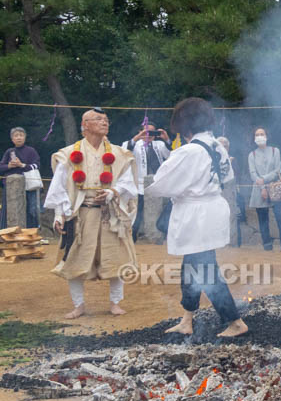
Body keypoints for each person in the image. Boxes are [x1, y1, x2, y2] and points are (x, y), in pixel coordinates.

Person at [147, 98, 248, 338]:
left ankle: (234, 321)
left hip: (197, 214)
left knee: (204, 270)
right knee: (193, 266)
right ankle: (187, 318)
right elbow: (228, 177)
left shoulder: (190, 150)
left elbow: (161, 183)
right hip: (212, 208)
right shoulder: (218, 146)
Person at [43, 108, 138, 318]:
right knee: (75, 259)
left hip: (109, 213)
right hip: (80, 214)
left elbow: (127, 182)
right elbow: (59, 187)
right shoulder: (68, 154)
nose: (104, 122)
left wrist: (113, 192)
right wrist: (59, 215)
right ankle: (79, 305)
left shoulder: (119, 154)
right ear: (85, 125)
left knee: (116, 257)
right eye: (98, 119)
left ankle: (115, 302)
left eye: (106, 120)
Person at [121, 122, 171, 241]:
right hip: (139, 183)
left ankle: (159, 234)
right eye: (146, 132)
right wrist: (139, 137)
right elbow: (124, 152)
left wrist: (167, 139)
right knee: (138, 210)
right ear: (140, 131)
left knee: (160, 208)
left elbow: (170, 155)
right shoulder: (135, 144)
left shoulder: (159, 144)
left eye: (152, 132)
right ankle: (133, 234)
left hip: (156, 181)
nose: (149, 135)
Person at [248, 127, 281, 251]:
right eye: (257, 134)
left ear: (266, 136)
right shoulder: (252, 155)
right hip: (259, 190)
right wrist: (262, 186)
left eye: (262, 134)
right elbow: (252, 173)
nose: (259, 136)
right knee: (263, 220)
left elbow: (278, 170)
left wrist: (263, 179)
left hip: (275, 189)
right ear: (254, 138)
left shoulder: (274, 151)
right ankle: (267, 245)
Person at [1, 127, 43, 228]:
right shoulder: (9, 151)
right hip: (11, 186)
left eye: (21, 135)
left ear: (25, 137)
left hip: (28, 185)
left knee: (30, 209)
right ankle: (5, 231)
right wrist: (9, 166)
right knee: (8, 209)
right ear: (12, 139)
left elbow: (37, 165)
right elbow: (1, 167)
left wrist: (22, 165)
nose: (19, 138)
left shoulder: (31, 151)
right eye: (16, 136)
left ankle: (30, 231)